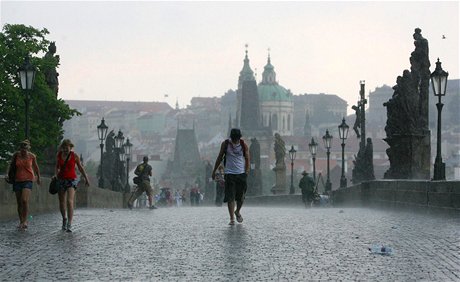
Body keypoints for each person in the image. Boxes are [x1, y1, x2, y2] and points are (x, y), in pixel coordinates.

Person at [212, 128, 249, 225]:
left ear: (239, 137)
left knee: (241, 197)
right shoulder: (225, 144)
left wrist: (246, 172)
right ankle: (232, 218)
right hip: (229, 174)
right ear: (231, 137)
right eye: (233, 138)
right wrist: (214, 170)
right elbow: (219, 158)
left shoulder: (243, 145)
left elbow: (248, 159)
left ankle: (237, 211)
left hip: (241, 173)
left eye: (236, 138)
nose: (235, 140)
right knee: (230, 197)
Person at [55, 139, 90, 232]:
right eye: (64, 148)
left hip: (71, 180)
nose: (66, 149)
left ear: (70, 147)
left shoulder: (74, 156)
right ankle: (64, 219)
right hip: (61, 179)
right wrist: (56, 174)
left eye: (67, 148)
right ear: (62, 148)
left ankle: (69, 223)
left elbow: (80, 168)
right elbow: (57, 167)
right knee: (62, 202)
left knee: (70, 201)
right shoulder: (59, 155)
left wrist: (86, 179)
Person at [8, 140, 41, 230]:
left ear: (28, 149)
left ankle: (25, 221)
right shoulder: (16, 155)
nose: (23, 150)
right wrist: (9, 175)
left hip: (28, 180)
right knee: (19, 203)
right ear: (20, 148)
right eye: (22, 148)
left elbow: (36, 167)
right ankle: (21, 221)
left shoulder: (32, 156)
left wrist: (38, 177)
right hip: (17, 180)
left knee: (24, 200)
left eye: (25, 149)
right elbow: (11, 166)